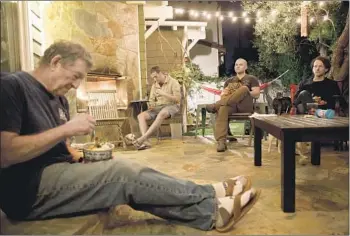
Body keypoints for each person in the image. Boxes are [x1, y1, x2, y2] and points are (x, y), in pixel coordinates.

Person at [0, 41, 260, 232]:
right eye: (75, 76)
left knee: (131, 173)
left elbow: (59, 147)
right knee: (122, 175)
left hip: (57, 172)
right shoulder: (13, 86)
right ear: (55, 62)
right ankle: (210, 197)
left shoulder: (57, 99)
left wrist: (79, 156)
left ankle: (210, 213)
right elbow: (6, 152)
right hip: (28, 190)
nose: (76, 85)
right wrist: (66, 129)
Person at [206, 58, 260, 152]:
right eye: (236, 65)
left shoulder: (251, 79)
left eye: (241, 64)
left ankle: (215, 105)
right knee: (223, 109)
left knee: (243, 89)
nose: (238, 66)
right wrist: (227, 96)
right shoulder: (229, 81)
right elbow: (224, 95)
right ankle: (221, 142)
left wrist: (245, 92)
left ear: (246, 67)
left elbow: (257, 94)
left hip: (245, 106)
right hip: (231, 106)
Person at [131, 66, 182, 150]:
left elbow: (177, 99)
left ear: (160, 73)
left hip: (172, 106)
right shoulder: (154, 85)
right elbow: (151, 100)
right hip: (158, 107)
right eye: (153, 78)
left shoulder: (173, 82)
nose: (155, 79)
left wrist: (163, 93)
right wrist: (151, 105)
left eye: (156, 76)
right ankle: (146, 140)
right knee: (141, 116)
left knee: (162, 113)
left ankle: (143, 138)